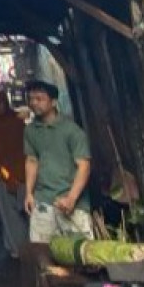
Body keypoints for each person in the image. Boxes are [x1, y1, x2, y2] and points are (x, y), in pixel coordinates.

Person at [23, 80, 95, 242]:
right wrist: (29, 193)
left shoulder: (72, 131)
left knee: (79, 256)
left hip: (71, 202)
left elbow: (84, 166)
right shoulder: (30, 130)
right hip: (43, 200)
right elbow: (32, 160)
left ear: (54, 102)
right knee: (42, 253)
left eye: (39, 98)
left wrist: (71, 198)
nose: (34, 103)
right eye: (31, 99)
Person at [0, 90, 29, 257]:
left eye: (0, 102)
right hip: (1, 177)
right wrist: (5, 176)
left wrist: (17, 175)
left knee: (29, 214)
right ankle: (19, 249)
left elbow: (26, 150)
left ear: (6, 103)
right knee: (9, 217)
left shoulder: (18, 123)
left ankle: (33, 249)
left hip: (24, 175)